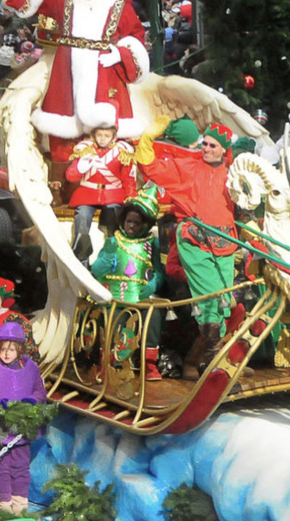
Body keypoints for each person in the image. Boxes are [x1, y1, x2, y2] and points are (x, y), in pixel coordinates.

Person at [0, 0, 149, 144]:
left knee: (107, 128)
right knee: (63, 126)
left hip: (105, 74)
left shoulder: (121, 9)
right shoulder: (66, 0)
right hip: (66, 74)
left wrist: (120, 54)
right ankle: (64, 168)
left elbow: (137, 38)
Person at [135, 118, 240, 369]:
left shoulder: (233, 173)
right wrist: (148, 137)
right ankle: (213, 358)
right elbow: (149, 165)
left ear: (224, 150)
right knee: (210, 296)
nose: (206, 149)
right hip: (195, 240)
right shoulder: (187, 167)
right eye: (204, 143)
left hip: (226, 241)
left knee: (224, 298)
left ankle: (211, 357)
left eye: (213, 146)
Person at [89, 186, 168, 380]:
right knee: (113, 318)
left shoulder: (152, 243)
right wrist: (107, 254)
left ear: (146, 224)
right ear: (123, 221)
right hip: (115, 298)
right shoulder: (113, 241)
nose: (132, 226)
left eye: (137, 223)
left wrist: (151, 287)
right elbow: (97, 272)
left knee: (154, 315)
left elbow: (159, 273)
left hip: (140, 298)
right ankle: (108, 364)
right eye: (129, 221)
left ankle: (148, 364)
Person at [0, 323, 48, 515]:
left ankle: (20, 506)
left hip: (22, 429)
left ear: (19, 349)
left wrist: (31, 402)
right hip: (1, 428)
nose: (7, 354)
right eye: (4, 349)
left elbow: (40, 391)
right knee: (1, 467)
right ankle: (4, 506)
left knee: (21, 467)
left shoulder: (31, 369)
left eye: (12, 349)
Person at [64, 122, 137, 256]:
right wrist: (79, 168)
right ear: (94, 135)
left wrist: (132, 197)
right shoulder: (86, 150)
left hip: (112, 195)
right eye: (99, 135)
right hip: (87, 195)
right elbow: (70, 177)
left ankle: (114, 252)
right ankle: (81, 255)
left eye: (106, 135)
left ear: (114, 137)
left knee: (114, 214)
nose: (102, 138)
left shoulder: (122, 152)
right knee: (82, 215)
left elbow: (128, 179)